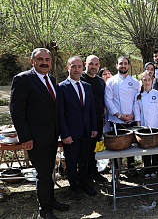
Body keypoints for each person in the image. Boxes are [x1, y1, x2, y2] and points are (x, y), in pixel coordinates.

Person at [10, 48, 69, 219]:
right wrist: (25, 138)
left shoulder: (50, 79)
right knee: (43, 173)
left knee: (49, 170)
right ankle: (44, 209)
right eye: (40, 59)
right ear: (32, 61)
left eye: (47, 59)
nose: (44, 62)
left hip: (51, 135)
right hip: (35, 138)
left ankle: (51, 200)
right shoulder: (23, 79)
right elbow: (16, 111)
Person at [59, 56, 98, 200]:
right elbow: (60, 114)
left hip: (87, 131)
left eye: (79, 66)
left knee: (84, 160)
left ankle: (84, 183)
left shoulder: (87, 86)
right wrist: (65, 134)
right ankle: (74, 187)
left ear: (83, 68)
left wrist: (94, 127)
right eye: (73, 66)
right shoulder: (61, 87)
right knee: (71, 161)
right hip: (71, 133)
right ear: (67, 67)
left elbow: (91, 109)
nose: (77, 69)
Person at [105, 56, 140, 175]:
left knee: (131, 144)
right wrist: (119, 115)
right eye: (121, 64)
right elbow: (108, 100)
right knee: (116, 145)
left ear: (129, 66)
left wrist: (133, 115)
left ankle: (131, 166)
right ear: (116, 66)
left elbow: (137, 100)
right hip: (116, 119)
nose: (123, 66)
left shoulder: (135, 82)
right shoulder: (111, 81)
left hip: (131, 119)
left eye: (125, 63)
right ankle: (116, 169)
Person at [81, 55, 108, 184]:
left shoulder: (100, 81)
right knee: (84, 150)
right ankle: (84, 176)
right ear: (85, 63)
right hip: (83, 121)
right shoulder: (79, 79)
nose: (94, 67)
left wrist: (102, 116)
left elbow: (102, 101)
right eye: (91, 64)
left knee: (93, 149)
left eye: (96, 64)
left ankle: (94, 172)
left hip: (97, 120)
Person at [133, 70, 158, 179]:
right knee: (145, 149)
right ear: (141, 81)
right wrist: (138, 127)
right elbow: (137, 112)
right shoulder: (138, 96)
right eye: (144, 80)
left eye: (149, 80)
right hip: (143, 127)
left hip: (156, 125)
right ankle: (147, 168)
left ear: (152, 80)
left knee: (155, 148)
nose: (147, 82)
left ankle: (155, 169)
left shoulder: (157, 94)